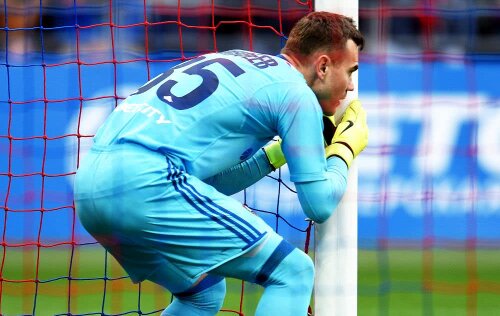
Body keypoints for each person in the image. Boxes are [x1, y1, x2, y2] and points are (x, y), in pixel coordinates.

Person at [74, 11, 367, 316]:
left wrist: (272, 156)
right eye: (350, 71)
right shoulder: (296, 92)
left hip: (91, 186)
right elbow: (318, 205)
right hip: (148, 180)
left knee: (203, 292)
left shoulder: (240, 61)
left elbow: (205, 184)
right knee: (292, 273)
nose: (350, 87)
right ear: (322, 66)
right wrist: (345, 148)